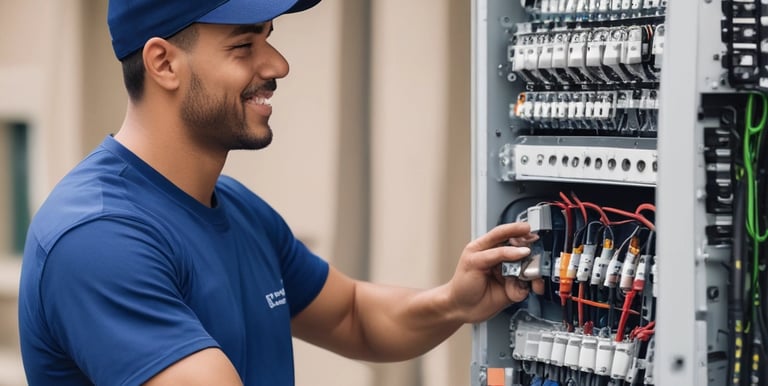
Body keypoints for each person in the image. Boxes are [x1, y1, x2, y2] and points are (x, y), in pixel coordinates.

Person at [17, 0, 543, 385]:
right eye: (244, 45)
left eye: (268, 37)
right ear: (163, 64)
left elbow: (352, 315)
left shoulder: (238, 208)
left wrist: (453, 302)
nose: (277, 65)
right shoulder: (99, 238)